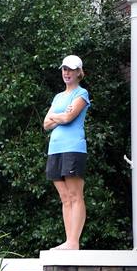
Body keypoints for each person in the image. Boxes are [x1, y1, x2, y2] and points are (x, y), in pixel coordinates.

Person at [43, 55, 91, 250]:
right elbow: (46, 124)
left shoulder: (81, 93)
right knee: (64, 197)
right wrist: (58, 116)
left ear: (79, 72)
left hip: (73, 148)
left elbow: (70, 117)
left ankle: (73, 242)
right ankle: (68, 241)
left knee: (75, 194)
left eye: (71, 69)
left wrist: (58, 116)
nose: (67, 73)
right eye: (64, 69)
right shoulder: (58, 97)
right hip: (55, 149)